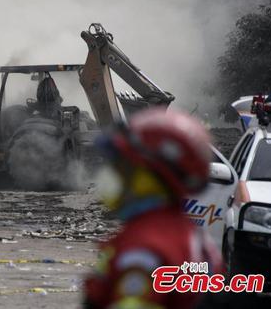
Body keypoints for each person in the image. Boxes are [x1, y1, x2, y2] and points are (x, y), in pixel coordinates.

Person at [83, 108, 222, 309]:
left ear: (148, 178)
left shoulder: (143, 247)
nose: (111, 175)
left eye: (121, 167)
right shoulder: (192, 237)